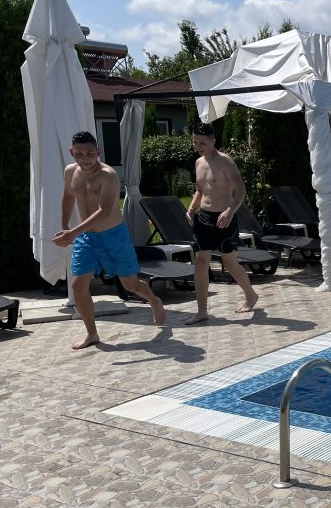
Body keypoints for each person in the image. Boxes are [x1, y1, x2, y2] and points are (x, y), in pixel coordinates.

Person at [53, 131, 166, 350]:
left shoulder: (108, 175)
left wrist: (72, 232)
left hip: (114, 236)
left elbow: (104, 211)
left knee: (130, 284)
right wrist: (65, 226)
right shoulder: (70, 172)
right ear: (71, 152)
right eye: (79, 154)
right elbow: (68, 197)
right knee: (78, 286)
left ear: (98, 152)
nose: (85, 159)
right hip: (86, 238)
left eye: (89, 153)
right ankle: (92, 334)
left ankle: (154, 300)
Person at [184, 122, 258, 324]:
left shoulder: (226, 162)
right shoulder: (199, 163)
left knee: (230, 263)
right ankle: (202, 311)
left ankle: (251, 295)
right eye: (195, 142)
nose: (198, 146)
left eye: (202, 142)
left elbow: (241, 190)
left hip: (225, 219)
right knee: (200, 262)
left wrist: (230, 210)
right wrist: (191, 208)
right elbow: (200, 190)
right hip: (204, 218)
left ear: (213, 141)